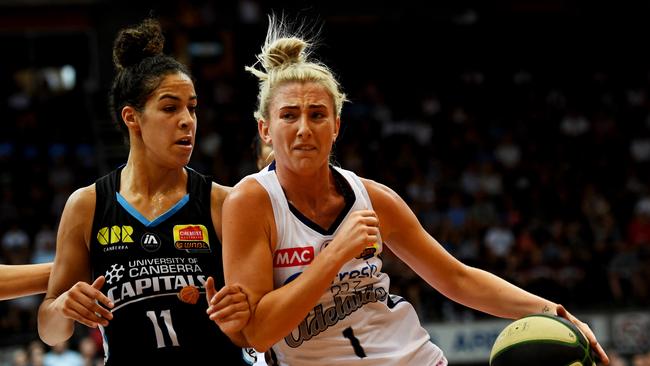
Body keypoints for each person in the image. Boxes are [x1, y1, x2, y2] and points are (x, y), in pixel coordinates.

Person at [216, 15, 610, 366]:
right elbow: (261, 333)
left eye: (317, 115)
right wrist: (335, 254)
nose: (304, 128)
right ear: (265, 129)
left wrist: (551, 310)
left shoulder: (375, 198)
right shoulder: (250, 202)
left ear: (336, 126)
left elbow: (457, 279)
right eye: (289, 115)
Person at [37, 18, 250, 365]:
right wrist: (62, 306)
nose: (187, 120)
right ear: (131, 118)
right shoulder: (87, 205)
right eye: (170, 108)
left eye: (192, 107)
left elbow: (258, 315)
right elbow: (50, 330)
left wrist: (246, 308)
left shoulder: (222, 201)